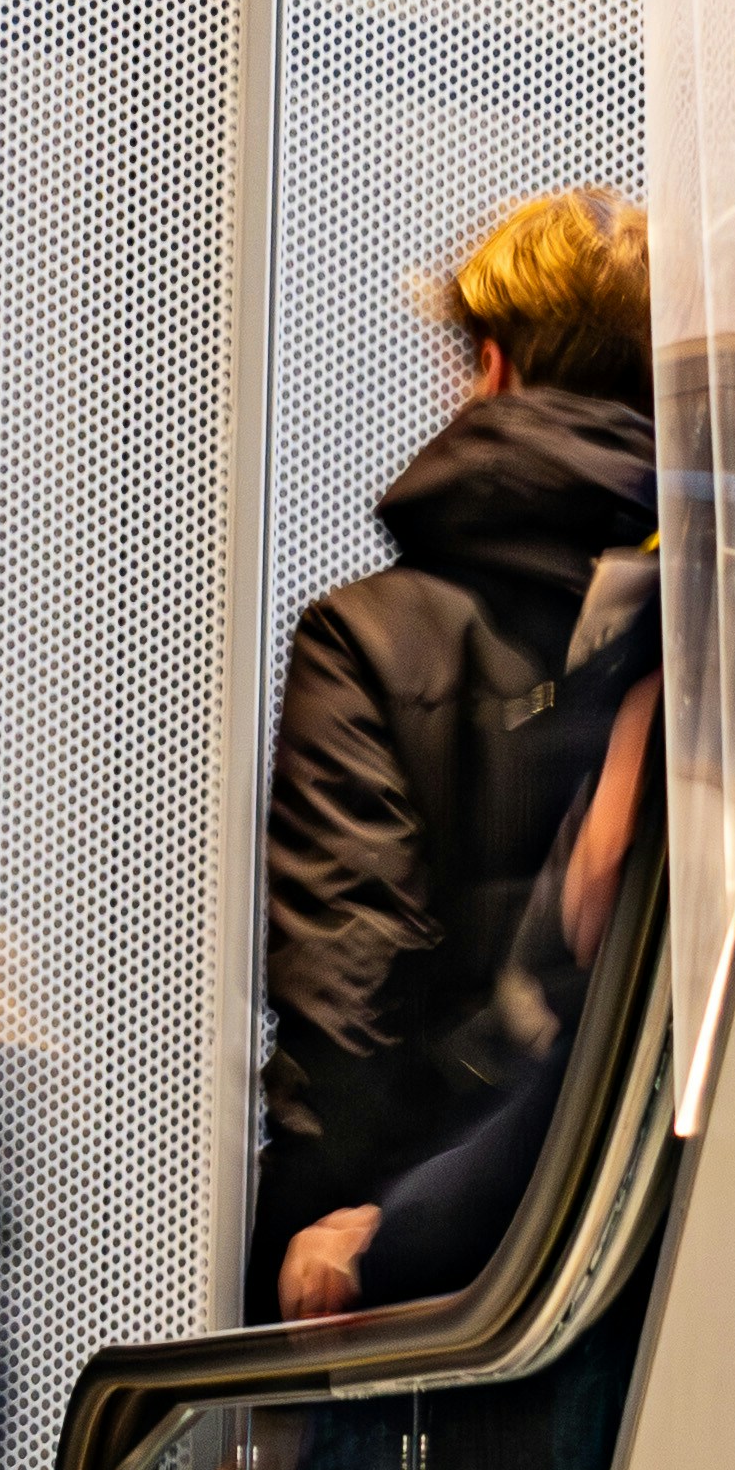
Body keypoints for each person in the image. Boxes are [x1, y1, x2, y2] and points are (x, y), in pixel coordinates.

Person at [249, 189, 659, 1322]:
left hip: (400, 1296)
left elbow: (347, 1021)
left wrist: (334, 1268)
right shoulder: (712, 630)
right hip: (633, 1281)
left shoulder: (368, 641)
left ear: (492, 366)